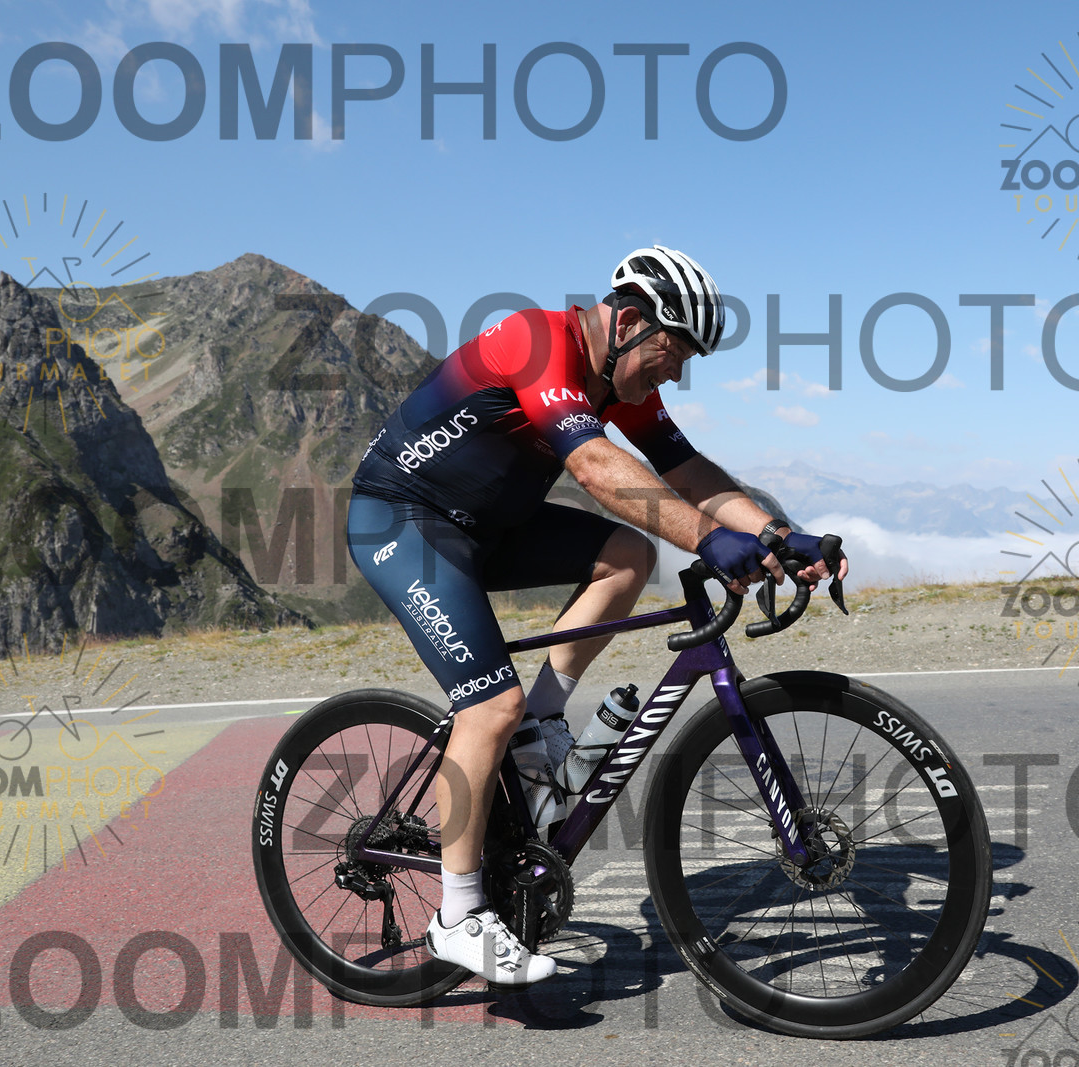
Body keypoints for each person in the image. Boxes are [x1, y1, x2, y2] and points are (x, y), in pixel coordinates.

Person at [346, 246, 850, 986]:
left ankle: (541, 721)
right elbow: (594, 466)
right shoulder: (534, 339)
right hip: (401, 520)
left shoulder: (621, 376)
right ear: (631, 321)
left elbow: (689, 472)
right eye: (674, 352)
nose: (675, 373)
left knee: (627, 555)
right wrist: (709, 540)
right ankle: (457, 915)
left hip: (490, 526)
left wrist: (777, 534)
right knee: (488, 706)